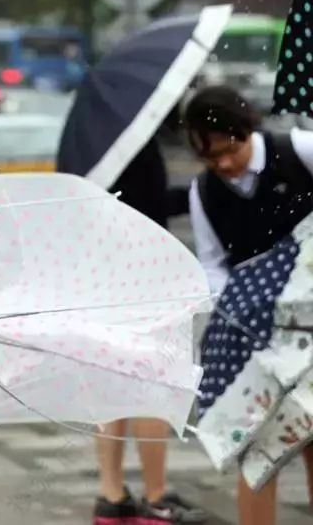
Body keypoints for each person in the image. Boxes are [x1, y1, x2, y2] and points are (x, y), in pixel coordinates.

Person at [185, 85, 313, 525]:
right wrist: (233, 310)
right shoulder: (204, 192)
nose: (222, 163)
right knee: (257, 446)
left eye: (229, 150)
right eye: (209, 158)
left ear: (246, 129)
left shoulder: (297, 151)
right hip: (254, 331)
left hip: (309, 323)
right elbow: (213, 263)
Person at [93, 137, 206, 525]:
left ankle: (111, 494)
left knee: (111, 382)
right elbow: (147, 206)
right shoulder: (134, 141)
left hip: (102, 271)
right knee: (152, 382)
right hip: (142, 272)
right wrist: (197, 191)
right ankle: (156, 496)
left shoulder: (92, 140)